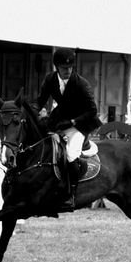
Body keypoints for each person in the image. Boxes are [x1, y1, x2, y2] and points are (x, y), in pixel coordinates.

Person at [32, 47, 102, 211]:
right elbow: (40, 100)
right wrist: (31, 111)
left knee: (70, 154)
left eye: (70, 68)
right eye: (64, 68)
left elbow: (92, 110)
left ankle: (71, 195)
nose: (68, 71)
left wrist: (72, 122)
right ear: (57, 67)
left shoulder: (81, 84)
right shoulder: (50, 79)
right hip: (59, 120)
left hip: (80, 124)